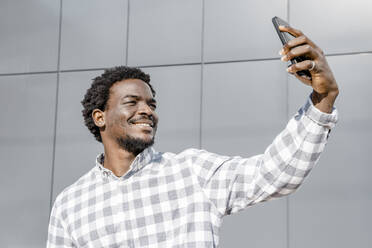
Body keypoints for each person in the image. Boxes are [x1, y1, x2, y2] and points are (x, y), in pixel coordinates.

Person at [47, 25, 339, 247]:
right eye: (132, 102)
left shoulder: (192, 172)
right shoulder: (70, 205)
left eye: (151, 104)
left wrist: (323, 98)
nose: (146, 110)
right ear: (100, 117)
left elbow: (275, 174)